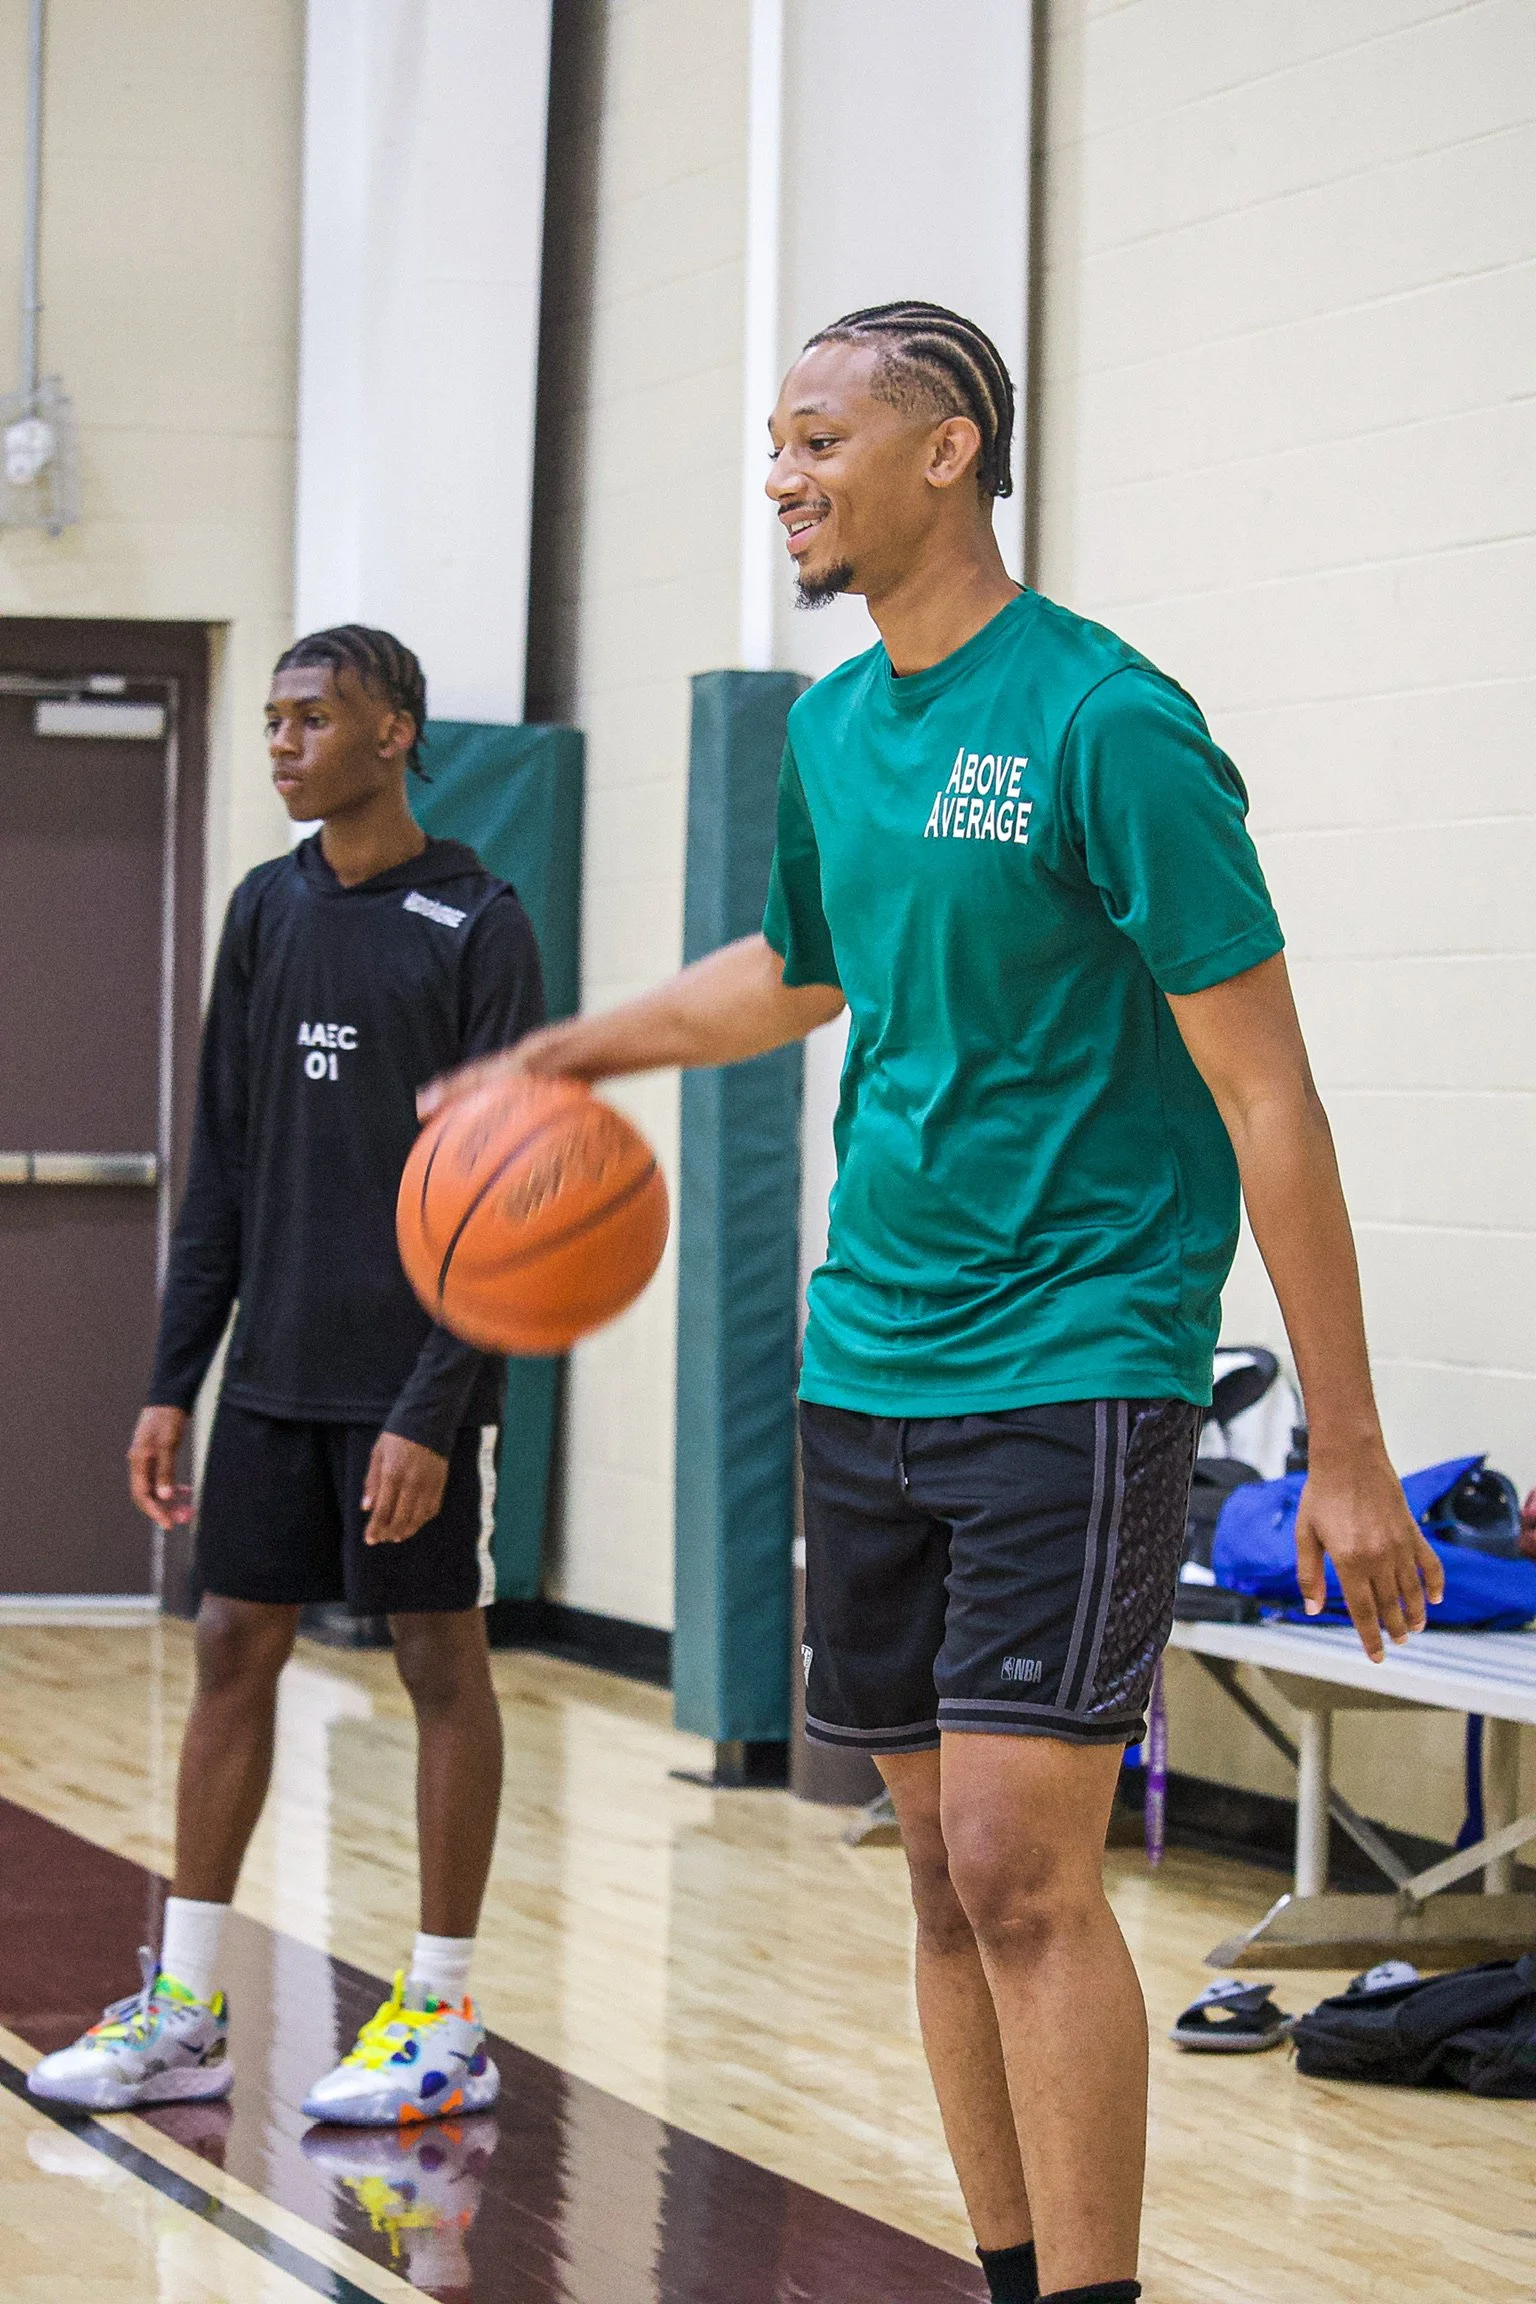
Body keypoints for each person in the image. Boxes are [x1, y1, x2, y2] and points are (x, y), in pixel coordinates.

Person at [422, 304, 1443, 2303]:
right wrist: (577, 1054)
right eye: (773, 445)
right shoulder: (827, 726)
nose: (785, 475)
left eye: (817, 438)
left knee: (1018, 1868)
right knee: (937, 1873)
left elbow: (1269, 1091)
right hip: (866, 1348)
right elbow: (801, 977)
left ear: (948, 450)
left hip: (1077, 1350)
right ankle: (1009, 2277)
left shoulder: (1106, 722)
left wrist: (1348, 1444)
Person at [29, 625, 544, 2127]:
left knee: (441, 1666)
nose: (281, 742)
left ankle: (442, 2014)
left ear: (395, 733)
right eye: (269, 720)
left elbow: (509, 1197)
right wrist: (171, 1377)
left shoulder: (479, 921)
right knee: (230, 1651)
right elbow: (229, 1165)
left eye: (312, 717)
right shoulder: (264, 910)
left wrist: (436, 1410)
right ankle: (186, 2007)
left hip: (414, 1384)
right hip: (273, 1376)